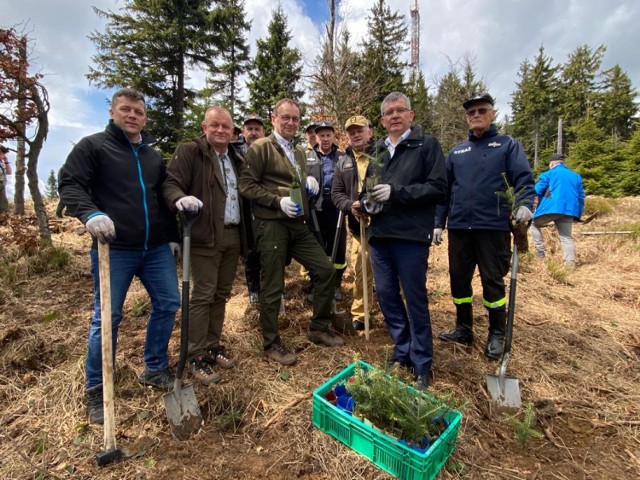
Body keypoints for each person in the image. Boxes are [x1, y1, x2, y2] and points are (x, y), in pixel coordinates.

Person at [58, 88, 181, 424]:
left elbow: (160, 199)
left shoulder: (153, 156)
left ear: (144, 117)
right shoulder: (94, 147)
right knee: (108, 318)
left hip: (154, 248)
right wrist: (89, 213)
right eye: (125, 110)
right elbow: (69, 183)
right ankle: (97, 389)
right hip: (115, 248)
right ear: (112, 112)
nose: (132, 116)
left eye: (138, 112)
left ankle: (154, 367)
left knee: (169, 302)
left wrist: (170, 237)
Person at [238, 98, 344, 366]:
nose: (290, 123)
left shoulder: (298, 151)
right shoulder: (262, 147)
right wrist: (277, 201)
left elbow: (293, 182)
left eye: (295, 119)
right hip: (272, 225)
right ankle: (271, 342)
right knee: (274, 284)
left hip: (298, 224)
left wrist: (308, 183)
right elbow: (247, 187)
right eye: (285, 117)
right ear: (274, 118)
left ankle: (318, 328)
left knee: (325, 270)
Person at [434, 93, 535, 360]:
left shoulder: (506, 145)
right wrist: (437, 223)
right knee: (458, 280)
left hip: (493, 227)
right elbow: (444, 192)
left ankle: (497, 333)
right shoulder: (457, 152)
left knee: (492, 281)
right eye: (471, 112)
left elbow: (523, 180)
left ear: (492, 114)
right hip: (459, 228)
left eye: (481, 110)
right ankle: (463, 327)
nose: (476, 115)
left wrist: (524, 204)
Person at [357, 92, 447, 390]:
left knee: (415, 298)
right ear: (382, 121)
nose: (395, 116)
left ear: (411, 115)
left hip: (410, 236)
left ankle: (422, 363)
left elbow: (437, 188)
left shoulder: (427, 146)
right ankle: (402, 350)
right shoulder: (378, 153)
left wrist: (396, 192)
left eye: (400, 110)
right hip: (380, 236)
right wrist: (365, 203)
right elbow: (368, 189)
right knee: (385, 295)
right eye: (389, 113)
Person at [163, 106, 247, 385]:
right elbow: (171, 184)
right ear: (205, 127)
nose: (221, 130)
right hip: (203, 235)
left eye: (226, 126)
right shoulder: (190, 152)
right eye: (215, 125)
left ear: (234, 130)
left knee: (221, 294)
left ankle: (212, 346)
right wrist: (179, 200)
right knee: (203, 294)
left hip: (233, 235)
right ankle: (196, 355)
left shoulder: (236, 157)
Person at [331, 115, 375, 331]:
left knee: (393, 276)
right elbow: (336, 194)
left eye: (360, 130)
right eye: (351, 132)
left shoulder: (383, 156)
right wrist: (350, 206)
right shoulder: (343, 162)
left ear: (370, 132)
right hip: (358, 229)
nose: (356, 135)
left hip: (383, 229)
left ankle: (400, 313)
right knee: (361, 272)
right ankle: (361, 313)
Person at [306, 121, 347, 302]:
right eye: (321, 135)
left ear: (333, 136)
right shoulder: (307, 156)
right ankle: (316, 285)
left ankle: (336, 284)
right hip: (315, 208)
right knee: (316, 249)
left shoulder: (342, 157)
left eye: (328, 135)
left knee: (338, 248)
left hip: (336, 208)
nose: (325, 139)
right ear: (316, 137)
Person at [233, 114, 267, 303]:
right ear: (243, 131)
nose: (253, 133)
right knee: (251, 249)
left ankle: (272, 287)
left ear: (264, 132)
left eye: (257, 129)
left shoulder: (271, 149)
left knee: (271, 249)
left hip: (267, 204)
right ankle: (253, 289)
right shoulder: (234, 150)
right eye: (250, 129)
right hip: (245, 207)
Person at [530, 153, 585, 266]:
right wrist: (577, 216)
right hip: (569, 211)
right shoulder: (576, 176)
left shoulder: (548, 174)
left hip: (551, 208)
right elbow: (581, 197)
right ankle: (569, 264)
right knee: (566, 237)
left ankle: (540, 253)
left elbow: (536, 190)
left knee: (533, 223)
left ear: (551, 164)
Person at [0, 145, 12, 213]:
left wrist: (6, 161)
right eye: (3, 153)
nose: (4, 155)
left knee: (3, 204)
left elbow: (9, 172)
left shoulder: (2, 163)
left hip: (2, 185)